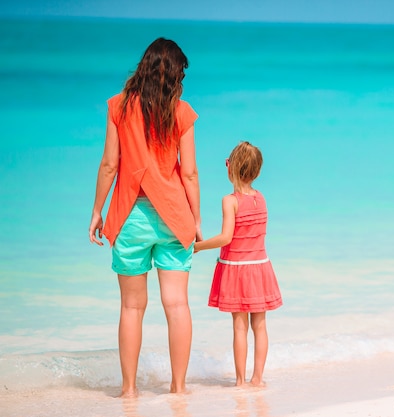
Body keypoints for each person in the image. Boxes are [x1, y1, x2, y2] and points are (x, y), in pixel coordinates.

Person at [88, 38, 202, 397]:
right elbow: (190, 174)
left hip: (130, 217)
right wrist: (196, 221)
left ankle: (129, 390)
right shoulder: (182, 112)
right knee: (178, 304)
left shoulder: (119, 107)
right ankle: (179, 388)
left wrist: (97, 211)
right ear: (174, 74)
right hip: (173, 216)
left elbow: (110, 164)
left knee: (131, 307)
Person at [195, 141, 282, 387]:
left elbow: (226, 238)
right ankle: (258, 379)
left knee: (239, 327)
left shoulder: (229, 200)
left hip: (237, 270)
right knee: (261, 325)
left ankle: (241, 381)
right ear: (256, 172)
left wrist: (197, 246)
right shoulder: (261, 198)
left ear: (230, 168)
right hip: (261, 267)